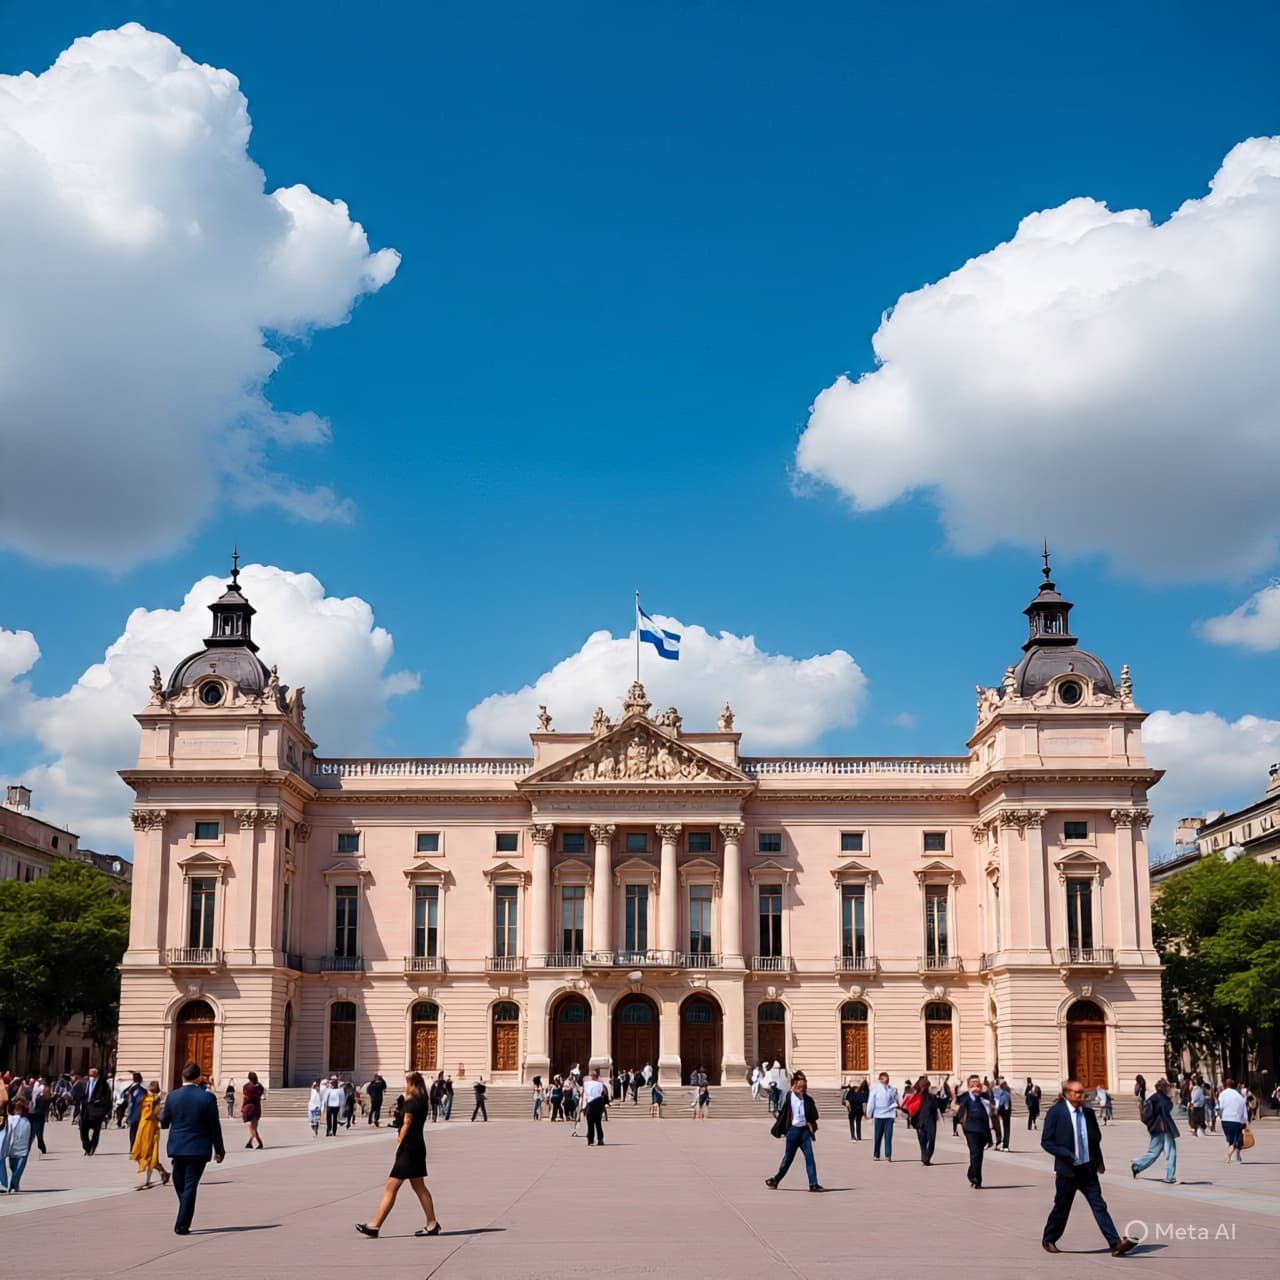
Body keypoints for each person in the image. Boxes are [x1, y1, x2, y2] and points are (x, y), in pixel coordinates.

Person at [1040, 1078, 1136, 1257]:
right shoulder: (1056, 1113)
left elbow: (1094, 1140)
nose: (1082, 1095)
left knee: (1099, 1205)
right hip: (1067, 1171)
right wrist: (1065, 1153)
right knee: (1062, 1207)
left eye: (1082, 1092)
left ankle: (1115, 1243)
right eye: (1077, 1092)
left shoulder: (1089, 1114)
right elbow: (1046, 1142)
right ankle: (1049, 1239)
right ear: (1068, 1094)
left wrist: (1099, 1161)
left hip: (1087, 1170)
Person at [355, 1071, 442, 1239]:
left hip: (408, 1148)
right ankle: (432, 1223)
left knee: (391, 1187)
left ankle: (375, 1225)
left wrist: (399, 1143)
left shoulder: (410, 1102)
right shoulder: (422, 1101)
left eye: (406, 1081)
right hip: (418, 1146)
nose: (404, 1084)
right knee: (419, 1187)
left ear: (411, 1084)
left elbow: (406, 1123)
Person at [159, 1061, 226, 1235]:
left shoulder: (172, 1096)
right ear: (198, 1077)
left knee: (181, 1183)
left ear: (182, 1076)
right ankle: (184, 1214)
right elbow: (214, 1126)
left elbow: (164, 1122)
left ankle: (182, 1223)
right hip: (198, 1148)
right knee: (189, 1186)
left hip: (177, 1147)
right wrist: (219, 1149)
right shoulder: (207, 1097)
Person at [765, 1071, 823, 1192]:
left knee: (810, 1157)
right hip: (793, 1132)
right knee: (788, 1158)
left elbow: (813, 1115)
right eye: (800, 1086)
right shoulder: (788, 1096)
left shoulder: (807, 1099)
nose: (802, 1089)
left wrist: (811, 1124)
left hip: (804, 1132)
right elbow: (782, 1107)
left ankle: (813, 1184)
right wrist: (791, 1091)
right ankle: (776, 1180)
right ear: (794, 1085)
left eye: (804, 1087)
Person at [1130, 1077, 1178, 1183]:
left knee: (1154, 1152)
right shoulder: (1162, 1098)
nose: (1169, 1089)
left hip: (1157, 1128)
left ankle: (1137, 1166)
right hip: (1163, 1127)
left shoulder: (1155, 1097)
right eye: (1168, 1087)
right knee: (1170, 1151)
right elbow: (1167, 1108)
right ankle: (1169, 1176)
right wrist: (1170, 1099)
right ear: (1164, 1088)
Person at [129, 1081, 171, 1191]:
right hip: (146, 1128)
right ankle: (163, 1172)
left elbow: (149, 1114)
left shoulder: (150, 1098)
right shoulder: (149, 1098)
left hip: (148, 1128)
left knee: (149, 1154)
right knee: (145, 1153)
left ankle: (148, 1180)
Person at [955, 1074, 992, 1189]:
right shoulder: (964, 1097)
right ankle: (977, 1179)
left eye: (978, 1084)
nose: (976, 1086)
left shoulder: (985, 1096)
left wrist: (988, 1090)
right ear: (969, 1085)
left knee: (979, 1154)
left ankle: (972, 1173)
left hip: (983, 1129)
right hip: (970, 1129)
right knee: (975, 1152)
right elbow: (955, 1107)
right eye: (973, 1084)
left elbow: (994, 1109)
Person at [2, 1096, 33, 1192]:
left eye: (19, 1109)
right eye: (16, 1109)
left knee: (19, 1170)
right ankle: (16, 1185)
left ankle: (13, 1185)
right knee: (13, 1168)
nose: (17, 1111)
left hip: (23, 1150)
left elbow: (29, 1135)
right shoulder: (10, 1120)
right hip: (12, 1149)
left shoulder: (26, 1121)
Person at [867, 1071, 899, 1161]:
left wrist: (896, 1108)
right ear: (880, 1079)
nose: (887, 1080)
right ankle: (876, 1154)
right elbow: (871, 1102)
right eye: (884, 1078)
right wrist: (869, 1113)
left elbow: (897, 1100)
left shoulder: (892, 1089)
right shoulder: (875, 1089)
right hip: (879, 1115)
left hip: (889, 1115)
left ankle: (888, 1155)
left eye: (887, 1078)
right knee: (878, 1136)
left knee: (888, 1136)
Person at [79, 1066, 111, 1156]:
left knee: (96, 1131)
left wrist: (102, 1107)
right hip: (85, 1110)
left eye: (93, 1075)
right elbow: (81, 1095)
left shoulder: (103, 1084)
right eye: (90, 1075)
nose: (91, 1076)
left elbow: (107, 1098)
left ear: (97, 1075)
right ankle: (87, 1146)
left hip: (96, 1110)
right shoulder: (85, 1083)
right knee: (83, 1130)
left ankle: (93, 1146)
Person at [1217, 1078, 1248, 1164]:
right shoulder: (1239, 1096)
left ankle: (1231, 1156)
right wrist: (1245, 1121)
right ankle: (1228, 1154)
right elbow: (1243, 1110)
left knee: (1230, 1140)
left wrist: (1220, 1116)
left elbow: (1220, 1107)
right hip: (1236, 1120)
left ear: (1224, 1085)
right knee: (1236, 1141)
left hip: (1225, 1120)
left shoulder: (1222, 1094)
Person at [912, 1074, 941, 1166]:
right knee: (929, 1140)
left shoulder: (930, 1097)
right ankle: (926, 1158)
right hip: (926, 1121)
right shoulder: (918, 1096)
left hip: (923, 1121)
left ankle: (925, 1158)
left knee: (924, 1141)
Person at [583, 1068, 609, 1146]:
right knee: (598, 1124)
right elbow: (604, 1093)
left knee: (590, 1124)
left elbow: (585, 1095)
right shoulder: (601, 1084)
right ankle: (600, 1139)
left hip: (591, 1104)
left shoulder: (587, 1084)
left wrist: (583, 1106)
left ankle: (590, 1140)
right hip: (598, 1104)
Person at [241, 1071, 265, 1149]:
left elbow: (245, 1097)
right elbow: (261, 1092)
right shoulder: (260, 1087)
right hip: (257, 1107)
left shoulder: (246, 1087)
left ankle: (256, 1141)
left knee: (251, 1126)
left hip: (248, 1108)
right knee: (254, 1126)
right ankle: (251, 1143)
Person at [994, 1079, 1012, 1150]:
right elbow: (1007, 1105)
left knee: (998, 1126)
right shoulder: (1006, 1093)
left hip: (999, 1110)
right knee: (1006, 1128)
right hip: (1004, 1111)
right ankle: (1005, 1145)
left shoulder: (997, 1092)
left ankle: (1000, 1142)